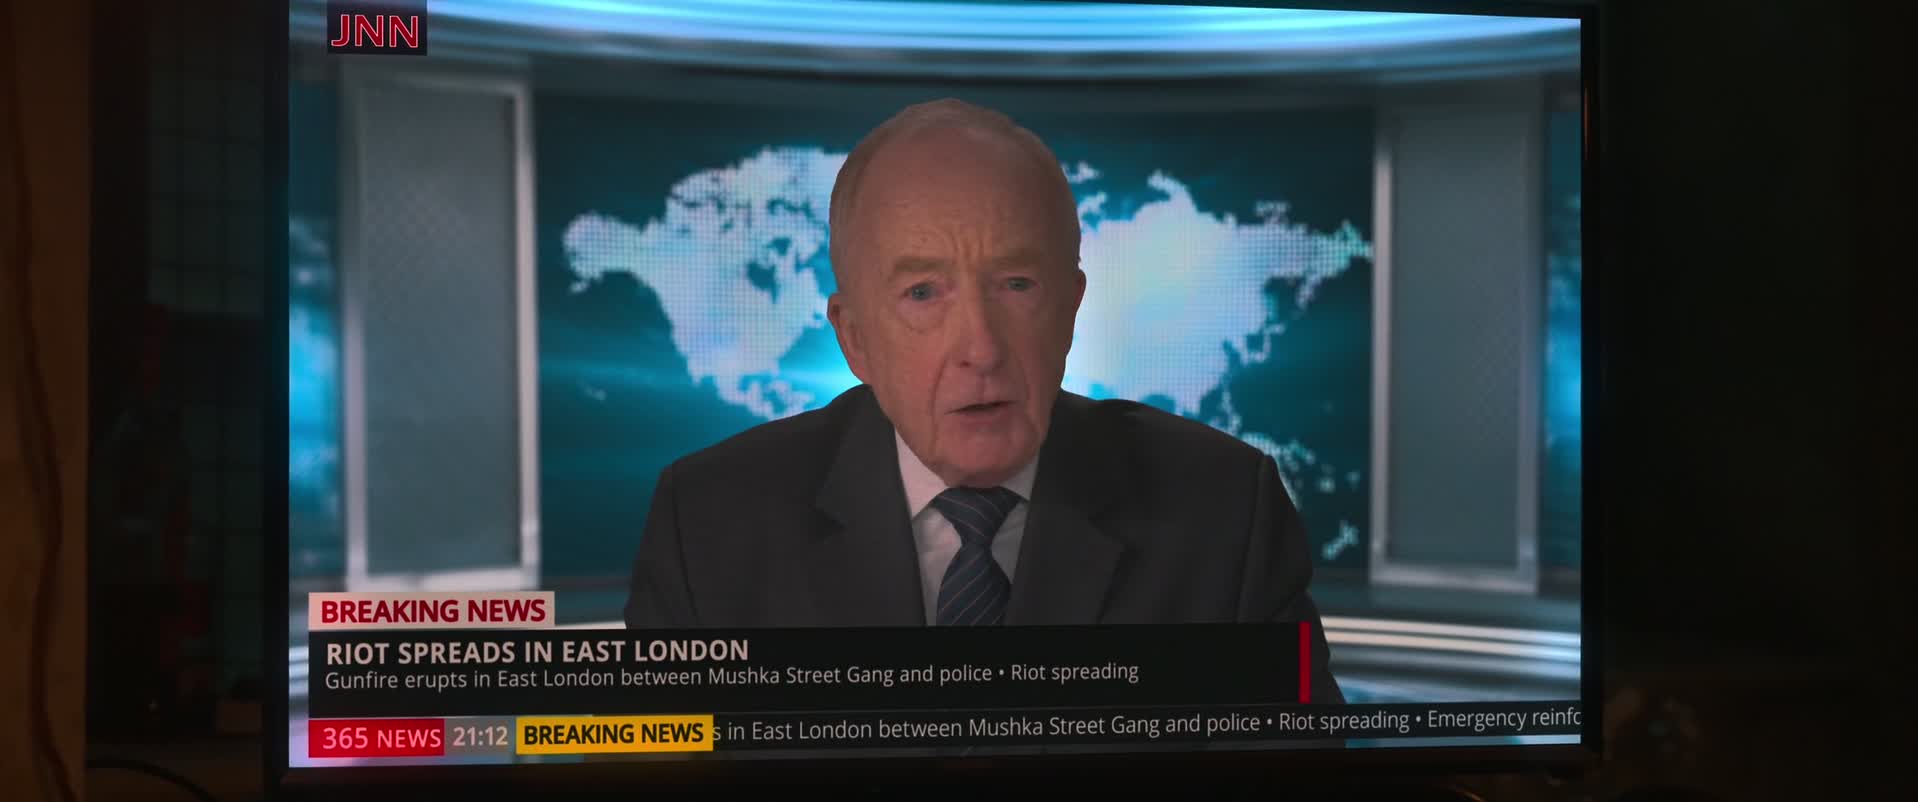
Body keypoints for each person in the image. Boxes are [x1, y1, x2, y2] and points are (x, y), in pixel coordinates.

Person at [624, 98, 1342, 704]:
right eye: (922, 293)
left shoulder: (1225, 514)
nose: (982, 348)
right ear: (855, 340)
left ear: (1069, 310)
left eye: (1016, 284)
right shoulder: (709, 528)